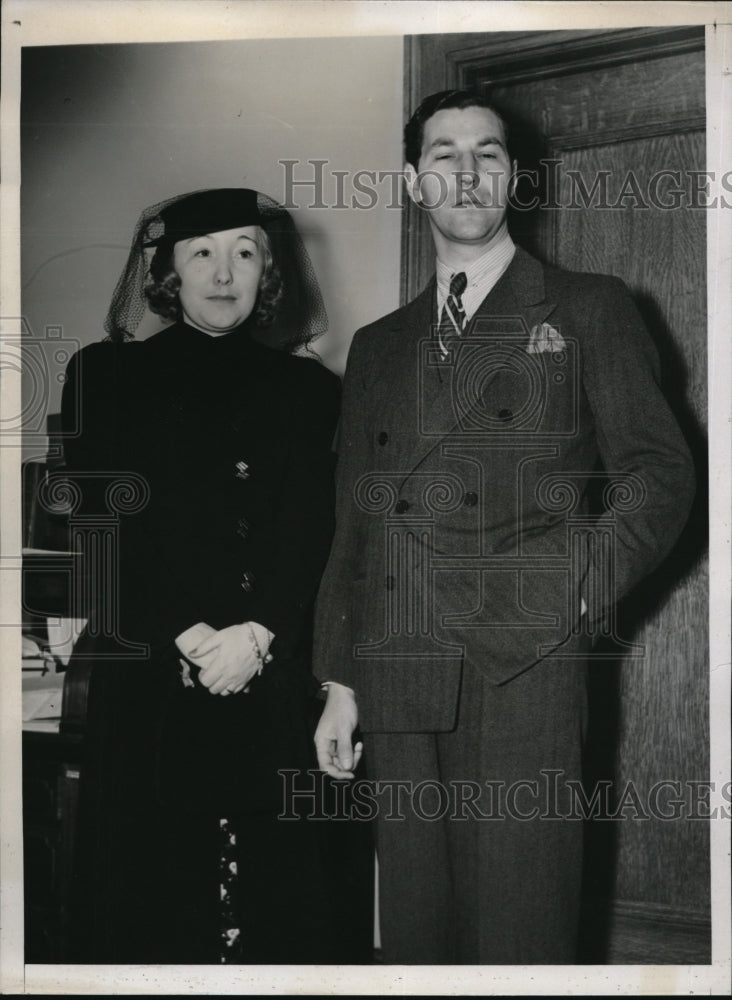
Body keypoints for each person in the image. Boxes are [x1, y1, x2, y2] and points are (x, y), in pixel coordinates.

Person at [312, 91, 695, 964]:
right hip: (397, 657)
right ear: (415, 180)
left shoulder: (590, 306)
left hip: (526, 656)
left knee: (521, 921)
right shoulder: (378, 344)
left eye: (487, 153)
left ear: (513, 177)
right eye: (444, 154)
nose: (467, 171)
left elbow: (661, 474)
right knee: (417, 927)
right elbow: (355, 521)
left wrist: (565, 586)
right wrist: (340, 680)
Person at [60, 188, 369, 964]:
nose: (223, 272)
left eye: (244, 251)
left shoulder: (312, 392)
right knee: (151, 896)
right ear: (168, 272)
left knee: (281, 901)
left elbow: (315, 532)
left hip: (272, 676)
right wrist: (195, 637)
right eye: (202, 252)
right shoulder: (104, 375)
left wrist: (258, 634)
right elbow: (103, 530)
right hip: (151, 679)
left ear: (269, 269)